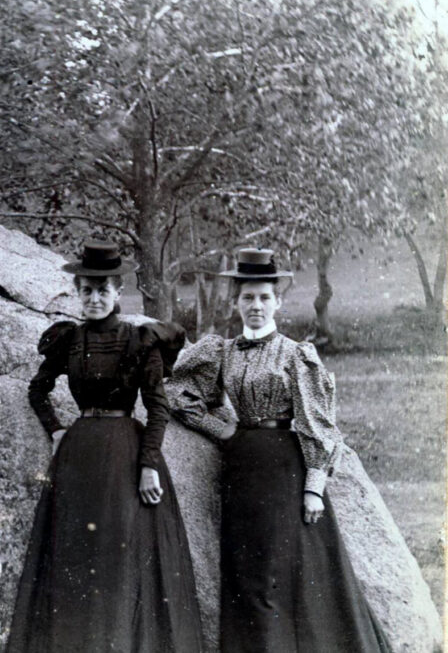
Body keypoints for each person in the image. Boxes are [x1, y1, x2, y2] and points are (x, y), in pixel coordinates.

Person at [167, 248, 390, 653]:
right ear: (236, 301)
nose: (256, 306)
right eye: (248, 297)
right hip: (240, 467)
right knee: (246, 574)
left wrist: (314, 486)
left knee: (281, 569)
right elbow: (178, 394)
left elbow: (316, 422)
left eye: (264, 297)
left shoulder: (295, 354)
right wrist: (220, 429)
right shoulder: (221, 351)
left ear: (278, 302)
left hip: (285, 467)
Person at [6, 241, 203, 653]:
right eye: (87, 291)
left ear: (118, 292)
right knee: (75, 557)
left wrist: (148, 464)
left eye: (103, 290)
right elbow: (38, 390)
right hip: (78, 457)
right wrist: (56, 430)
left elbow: (158, 408)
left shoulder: (140, 340)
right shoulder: (69, 339)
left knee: (121, 557)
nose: (94, 299)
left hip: (124, 458)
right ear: (78, 293)